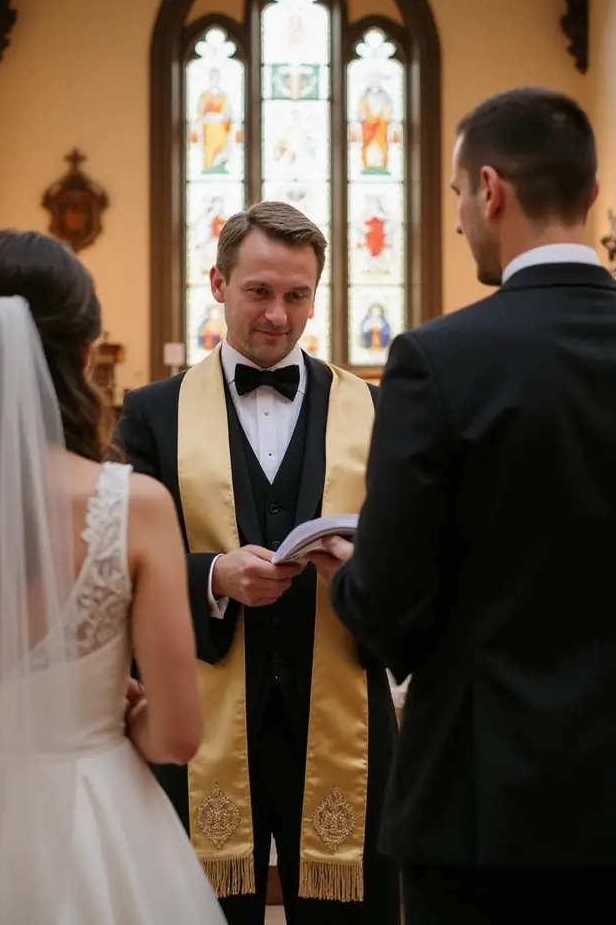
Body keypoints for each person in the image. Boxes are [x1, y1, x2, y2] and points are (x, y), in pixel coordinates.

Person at [327, 87, 616, 924]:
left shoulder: (440, 359)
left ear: (490, 189)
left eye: (458, 195)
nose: (458, 219)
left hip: (484, 804)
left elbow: (388, 607)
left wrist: (354, 579)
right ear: (590, 194)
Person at [0, 230, 227, 925]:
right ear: (85, 355)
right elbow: (178, 735)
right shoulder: (132, 505)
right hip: (89, 822)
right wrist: (109, 713)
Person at [116, 201, 400, 925]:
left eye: (297, 295)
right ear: (218, 282)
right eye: (259, 291)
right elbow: (116, 565)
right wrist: (214, 577)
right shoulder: (152, 413)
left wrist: (364, 571)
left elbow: (417, 556)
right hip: (200, 712)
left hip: (344, 720)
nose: (278, 314)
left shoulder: (375, 409)